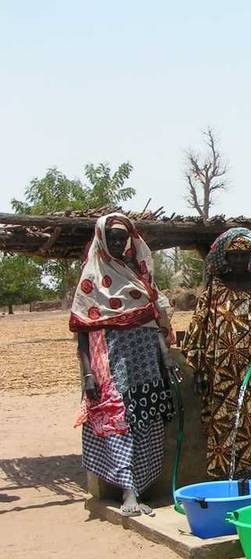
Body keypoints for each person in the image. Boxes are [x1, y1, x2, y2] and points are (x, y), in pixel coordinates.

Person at [71, 213, 177, 516]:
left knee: (147, 422)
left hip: (146, 362)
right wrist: (88, 374)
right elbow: (82, 331)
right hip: (112, 363)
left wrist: (166, 356)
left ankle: (140, 488)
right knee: (118, 423)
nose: (118, 243)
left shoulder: (139, 274)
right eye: (112, 238)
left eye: (122, 238)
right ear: (102, 239)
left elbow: (155, 321)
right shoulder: (92, 277)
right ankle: (127, 490)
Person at [183, 228, 251, 481]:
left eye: (243, 255)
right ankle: (226, 484)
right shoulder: (214, 290)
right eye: (234, 256)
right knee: (224, 426)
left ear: (250, 256)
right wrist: (197, 369)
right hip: (220, 376)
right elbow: (199, 326)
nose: (239, 260)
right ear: (226, 258)